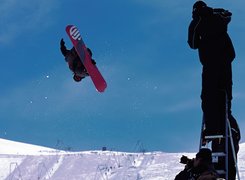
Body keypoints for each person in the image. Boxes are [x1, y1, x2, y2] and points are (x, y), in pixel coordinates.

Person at [188, 1, 236, 136]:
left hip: (210, 63)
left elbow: (192, 43)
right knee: (225, 93)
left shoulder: (198, 21)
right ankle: (226, 124)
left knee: (209, 95)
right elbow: (228, 16)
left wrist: (198, 22)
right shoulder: (218, 15)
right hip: (225, 60)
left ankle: (213, 127)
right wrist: (213, 12)